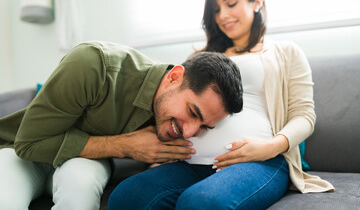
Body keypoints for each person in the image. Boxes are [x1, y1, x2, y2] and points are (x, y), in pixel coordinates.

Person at [108, 0, 335, 209]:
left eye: (231, 4)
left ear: (256, 1)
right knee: (126, 196)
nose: (223, 15)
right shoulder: (200, 59)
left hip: (258, 162)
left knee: (200, 202)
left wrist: (270, 148)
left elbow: (305, 116)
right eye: (216, 10)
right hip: (189, 164)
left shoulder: (286, 52)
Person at [0, 41, 243, 210]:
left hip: (86, 161)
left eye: (204, 126)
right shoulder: (93, 64)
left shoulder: (176, 125)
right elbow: (28, 143)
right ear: (173, 77)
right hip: (22, 149)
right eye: (192, 112)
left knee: (79, 192)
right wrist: (125, 146)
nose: (190, 131)